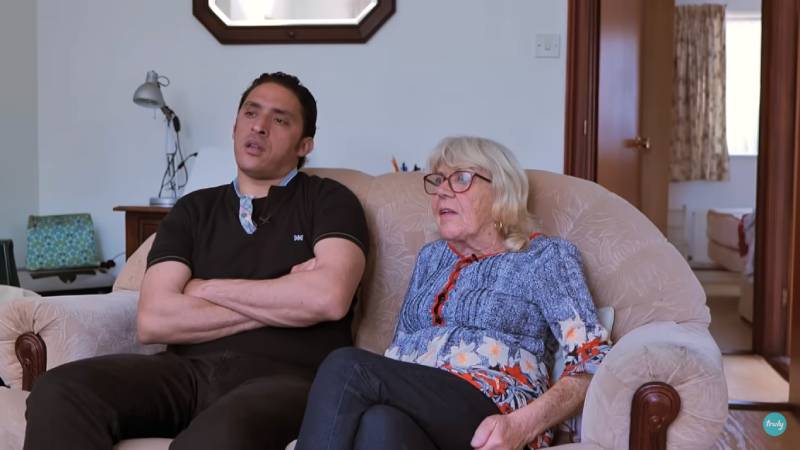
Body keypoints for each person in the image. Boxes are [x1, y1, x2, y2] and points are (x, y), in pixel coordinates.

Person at [23, 72, 369, 450]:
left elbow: (328, 299)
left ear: (305, 145)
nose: (259, 126)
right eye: (250, 113)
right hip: (186, 373)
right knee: (59, 391)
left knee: (215, 436)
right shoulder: (194, 209)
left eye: (280, 119)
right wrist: (287, 295)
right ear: (234, 127)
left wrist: (204, 288)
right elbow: (154, 320)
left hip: (290, 379)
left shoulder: (330, 200)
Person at [295, 136, 611, 450]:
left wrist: (521, 426)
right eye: (437, 180)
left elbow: (592, 358)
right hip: (421, 407)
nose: (442, 191)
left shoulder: (543, 256)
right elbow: (401, 346)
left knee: (346, 367)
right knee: (379, 424)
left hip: (491, 407)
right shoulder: (431, 258)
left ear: (502, 192)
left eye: (461, 179)